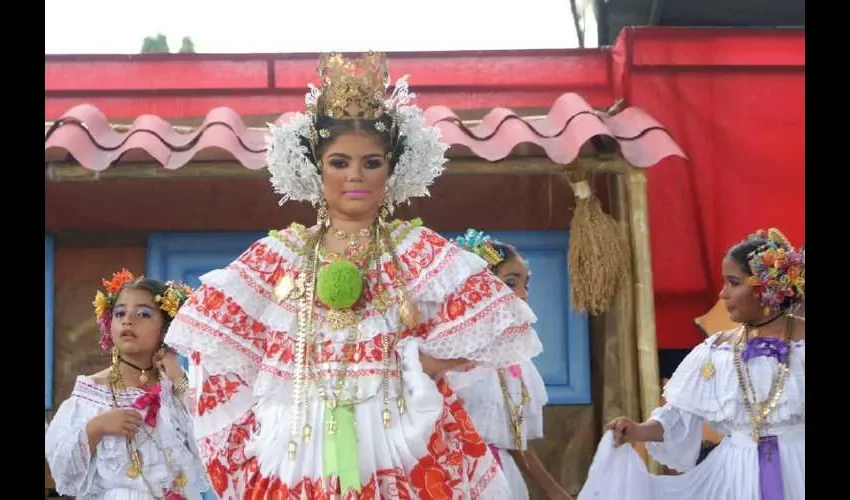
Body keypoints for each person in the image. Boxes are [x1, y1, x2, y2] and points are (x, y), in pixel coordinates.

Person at [164, 52, 543, 499]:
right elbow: (224, 343)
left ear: (392, 167)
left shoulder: (418, 253)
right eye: (340, 162)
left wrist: (419, 362)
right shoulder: (280, 256)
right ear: (316, 167)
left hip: (395, 430)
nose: (356, 176)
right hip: (301, 433)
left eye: (372, 162)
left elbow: (486, 327)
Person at [578, 228, 805, 500]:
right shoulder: (718, 351)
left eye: (733, 282)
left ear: (766, 288)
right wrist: (638, 430)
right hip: (735, 473)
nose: (723, 294)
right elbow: (678, 416)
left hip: (798, 464)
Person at [45, 270, 208, 499]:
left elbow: (211, 450)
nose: (128, 320)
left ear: (166, 329)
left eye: (143, 314)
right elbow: (62, 471)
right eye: (120, 313)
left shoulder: (177, 390)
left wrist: (178, 378)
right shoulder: (91, 393)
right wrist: (95, 429)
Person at [450, 229, 574, 500]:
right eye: (510, 283)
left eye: (525, 285)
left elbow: (515, 441)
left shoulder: (514, 361)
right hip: (449, 479)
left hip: (501, 481)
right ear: (475, 285)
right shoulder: (442, 355)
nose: (523, 295)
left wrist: (553, 491)